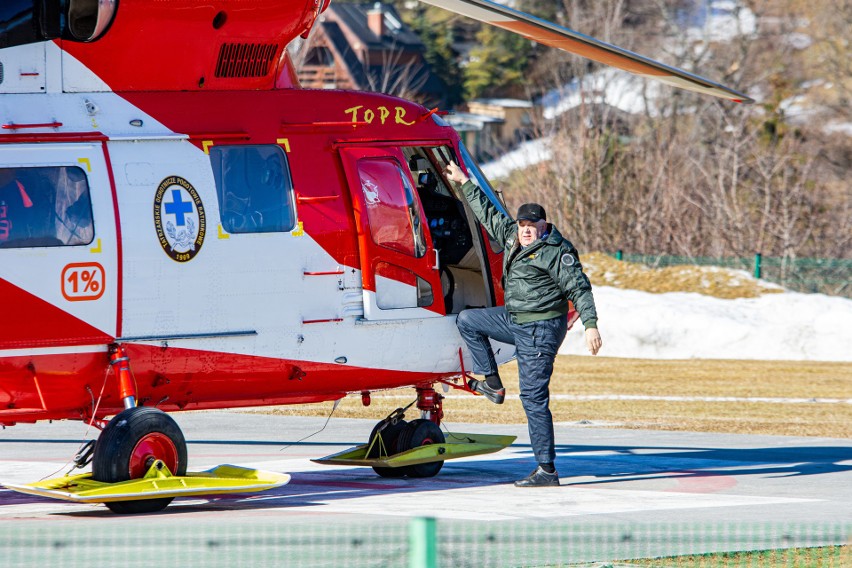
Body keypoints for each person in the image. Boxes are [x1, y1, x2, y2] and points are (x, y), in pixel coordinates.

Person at [445, 160, 602, 488]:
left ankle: (547, 470)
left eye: (532, 224)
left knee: (533, 396)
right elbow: (487, 213)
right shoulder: (514, 237)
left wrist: (590, 324)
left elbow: (579, 286)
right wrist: (464, 182)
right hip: (516, 320)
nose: (526, 229)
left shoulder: (557, 253)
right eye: (522, 224)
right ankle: (492, 383)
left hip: (542, 329)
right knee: (469, 320)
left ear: (544, 225)